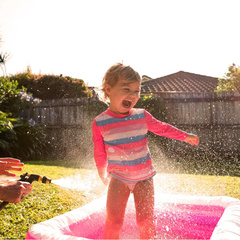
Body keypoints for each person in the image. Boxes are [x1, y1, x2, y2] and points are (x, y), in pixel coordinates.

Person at [92, 63, 199, 239]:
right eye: (127, 89)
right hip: (118, 177)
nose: (133, 95)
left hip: (144, 177)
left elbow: (163, 128)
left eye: (137, 91)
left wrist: (185, 136)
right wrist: (101, 172)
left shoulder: (141, 116)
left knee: (146, 220)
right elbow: (99, 152)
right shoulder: (100, 122)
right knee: (114, 221)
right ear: (109, 89)